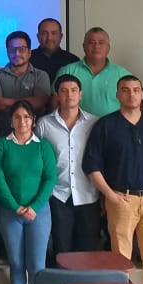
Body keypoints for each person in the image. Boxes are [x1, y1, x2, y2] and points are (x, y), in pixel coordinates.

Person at [82, 75, 143, 284]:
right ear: (118, 95)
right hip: (121, 200)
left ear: (142, 94)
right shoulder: (105, 125)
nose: (131, 94)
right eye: (125, 90)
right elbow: (91, 165)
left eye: (136, 90)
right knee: (120, 262)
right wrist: (110, 195)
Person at [0, 101, 57, 284]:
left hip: (39, 212)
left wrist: (34, 207)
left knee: (37, 265)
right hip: (10, 213)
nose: (22, 121)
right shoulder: (2, 145)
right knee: (17, 263)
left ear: (33, 120)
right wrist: (15, 206)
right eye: (17, 117)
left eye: (26, 117)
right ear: (11, 121)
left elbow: (50, 179)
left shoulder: (43, 146)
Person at [34, 75, 101, 255]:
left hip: (88, 193)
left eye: (73, 90)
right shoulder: (44, 124)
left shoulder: (94, 123)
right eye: (64, 91)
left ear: (81, 94)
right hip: (58, 194)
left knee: (88, 250)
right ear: (57, 95)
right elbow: (37, 159)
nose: (69, 95)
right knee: (62, 250)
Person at [54, 27, 130, 116]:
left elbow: (133, 104)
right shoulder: (67, 71)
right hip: (76, 124)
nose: (96, 46)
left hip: (112, 124)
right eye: (92, 42)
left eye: (101, 42)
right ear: (84, 47)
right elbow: (55, 102)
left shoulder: (122, 74)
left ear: (108, 48)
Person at [0, 31, 51, 124]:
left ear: (29, 52)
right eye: (12, 49)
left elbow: (39, 103)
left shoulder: (41, 75)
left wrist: (6, 102)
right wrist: (29, 102)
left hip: (34, 128)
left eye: (22, 49)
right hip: (4, 127)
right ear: (7, 52)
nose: (17, 53)